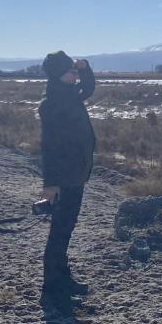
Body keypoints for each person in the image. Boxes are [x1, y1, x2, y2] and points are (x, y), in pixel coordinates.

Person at [38, 50, 96, 299]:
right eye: (70, 71)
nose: (75, 74)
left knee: (66, 229)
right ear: (58, 75)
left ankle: (62, 278)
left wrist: (85, 68)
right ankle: (53, 284)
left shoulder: (69, 95)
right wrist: (50, 184)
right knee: (60, 231)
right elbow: (48, 147)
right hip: (64, 177)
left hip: (76, 173)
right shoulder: (52, 105)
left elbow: (89, 88)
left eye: (74, 71)